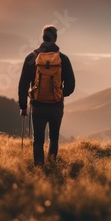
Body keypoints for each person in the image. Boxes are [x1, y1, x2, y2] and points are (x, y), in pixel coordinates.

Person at [18, 25, 75, 167]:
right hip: (56, 105)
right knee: (54, 138)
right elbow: (71, 85)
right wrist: (60, 94)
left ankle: (39, 169)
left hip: (37, 105)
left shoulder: (31, 58)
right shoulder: (63, 59)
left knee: (38, 140)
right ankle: (51, 166)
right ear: (55, 38)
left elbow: (23, 84)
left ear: (43, 37)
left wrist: (23, 106)